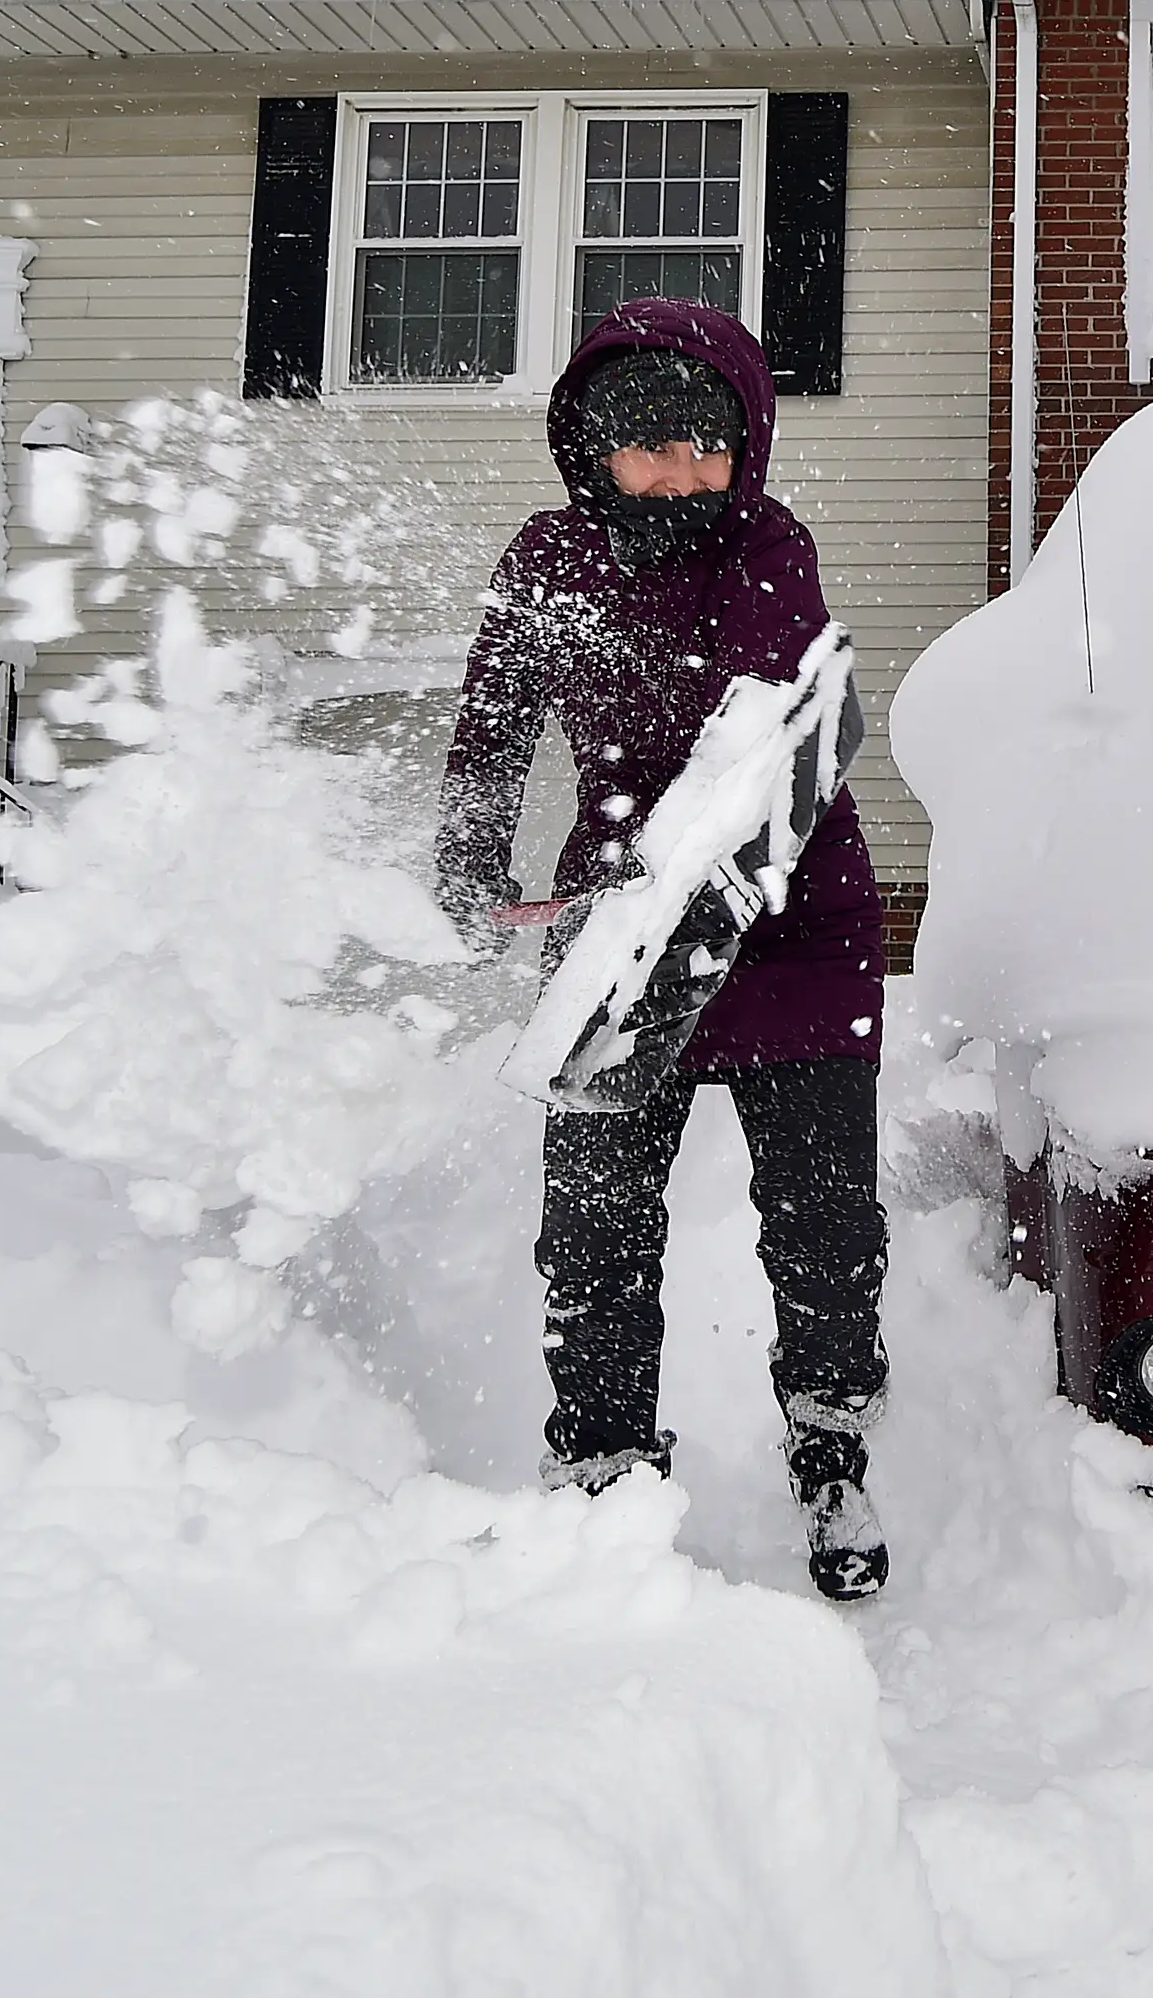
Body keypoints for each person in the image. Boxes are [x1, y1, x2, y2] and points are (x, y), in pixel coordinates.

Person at [436, 300, 892, 1603]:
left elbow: (755, 735)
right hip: (624, 935)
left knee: (820, 1222)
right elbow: (492, 728)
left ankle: (831, 1437)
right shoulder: (547, 560)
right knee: (594, 1227)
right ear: (592, 449)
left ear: (745, 446)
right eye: (648, 447)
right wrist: (471, 859)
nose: (682, 473)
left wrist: (664, 855)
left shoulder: (767, 545)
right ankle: (602, 1460)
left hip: (791, 917)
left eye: (708, 444)